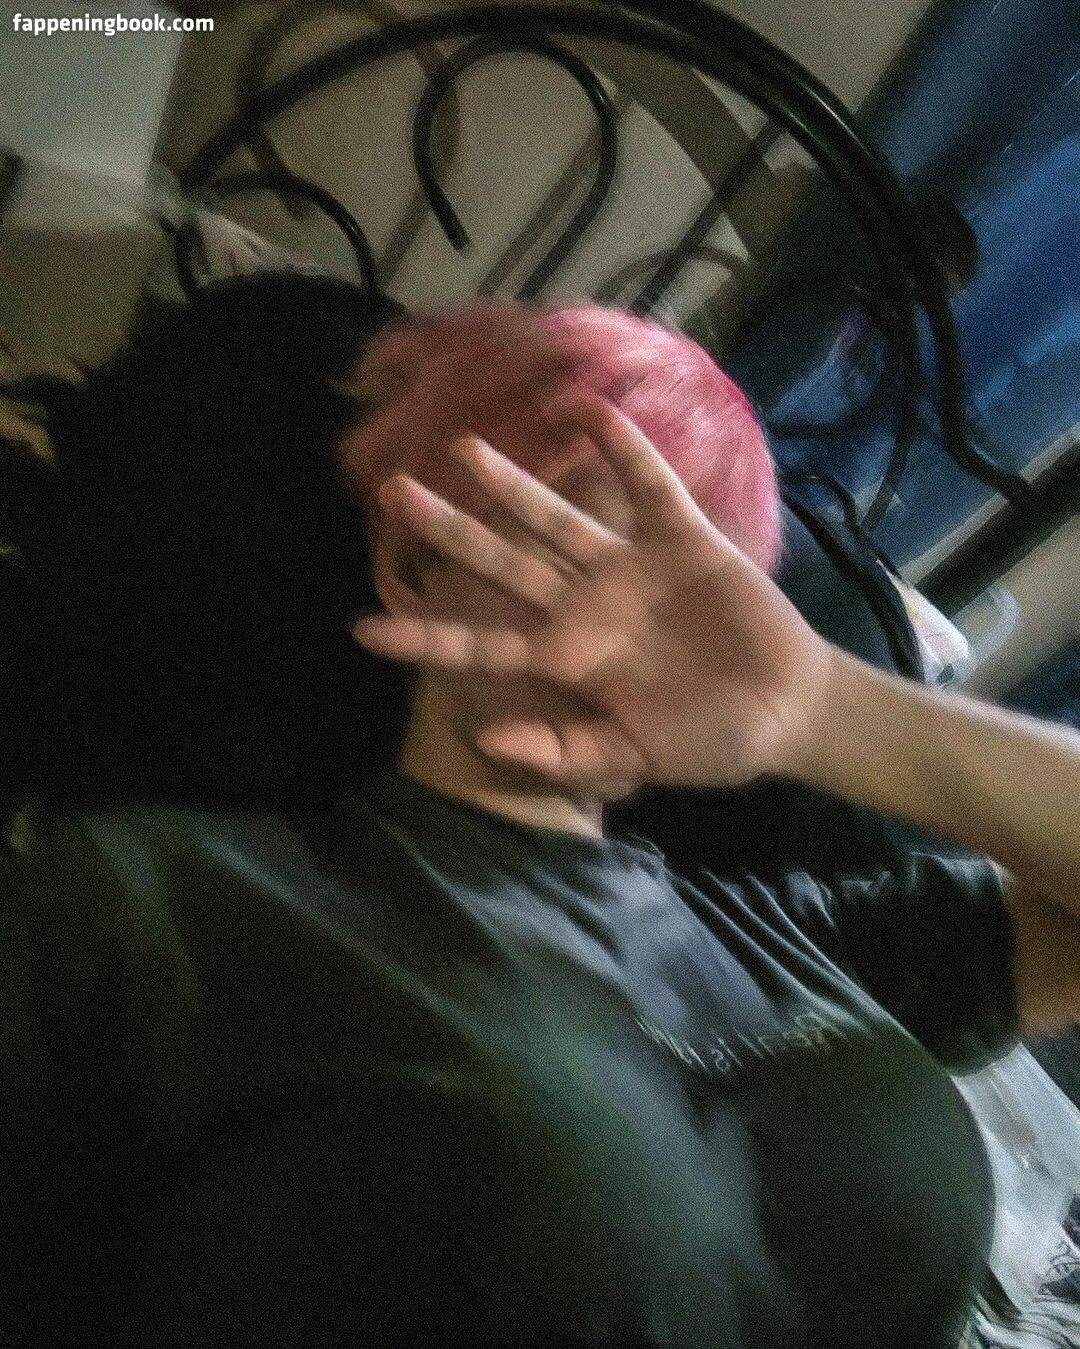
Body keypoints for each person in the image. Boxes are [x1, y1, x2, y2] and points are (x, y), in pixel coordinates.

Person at [0, 272, 1077, 1349]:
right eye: (577, 551)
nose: (646, 634)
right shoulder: (154, 899)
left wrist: (821, 707)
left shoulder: (784, 936)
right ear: (415, 563)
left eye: (703, 600)